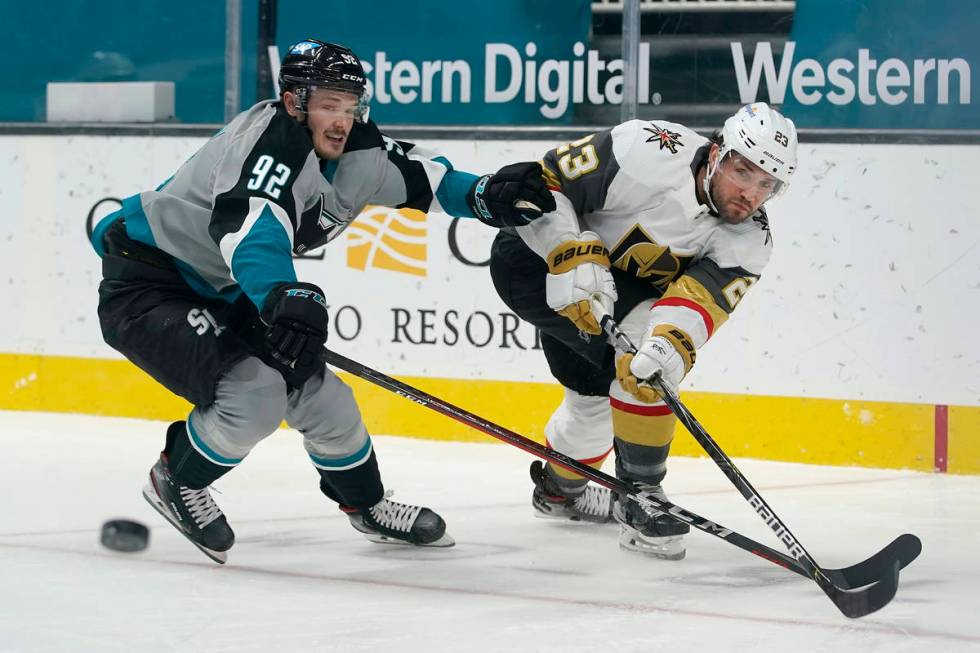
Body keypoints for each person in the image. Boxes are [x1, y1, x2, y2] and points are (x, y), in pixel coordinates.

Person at [89, 38, 555, 563]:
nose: (342, 118)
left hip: (226, 289)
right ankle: (178, 477)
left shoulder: (356, 151)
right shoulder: (267, 145)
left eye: (351, 105)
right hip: (151, 283)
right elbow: (252, 227)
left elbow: (425, 177)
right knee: (255, 395)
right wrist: (282, 292)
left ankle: (368, 506)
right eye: (328, 104)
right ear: (294, 103)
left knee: (325, 399)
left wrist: (484, 194)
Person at [490, 103, 797, 560]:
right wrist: (568, 251)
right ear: (716, 154)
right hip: (532, 261)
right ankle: (641, 497)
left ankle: (560, 491)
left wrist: (670, 343)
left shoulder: (750, 238)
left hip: (616, 296)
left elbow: (697, 301)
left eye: (766, 184)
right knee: (643, 369)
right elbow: (545, 181)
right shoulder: (647, 147)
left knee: (602, 400)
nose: (750, 194)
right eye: (744, 171)